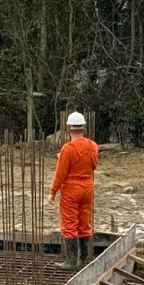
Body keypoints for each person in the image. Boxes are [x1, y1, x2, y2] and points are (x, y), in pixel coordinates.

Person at [50, 112, 99, 268]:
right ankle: (83, 259)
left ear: (69, 129)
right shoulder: (93, 146)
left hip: (72, 189)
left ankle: (71, 261)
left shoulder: (68, 149)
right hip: (88, 188)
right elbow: (93, 166)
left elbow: (60, 174)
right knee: (84, 222)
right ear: (83, 128)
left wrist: (53, 192)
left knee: (70, 223)